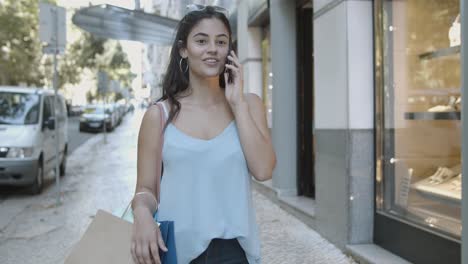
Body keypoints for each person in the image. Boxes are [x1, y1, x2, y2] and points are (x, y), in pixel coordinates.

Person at [131, 4, 276, 264]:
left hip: (235, 253)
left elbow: (264, 170)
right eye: (201, 41)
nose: (212, 49)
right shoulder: (159, 115)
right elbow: (145, 188)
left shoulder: (249, 104)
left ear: (229, 51)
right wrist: (141, 212)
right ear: (183, 50)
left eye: (221, 42)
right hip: (175, 251)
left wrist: (237, 104)